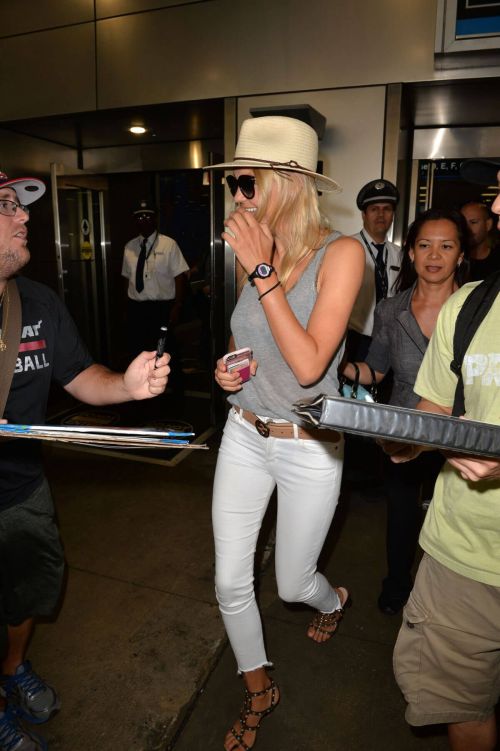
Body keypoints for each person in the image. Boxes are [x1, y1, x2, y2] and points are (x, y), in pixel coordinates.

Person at [205, 115, 365, 751]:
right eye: (234, 185)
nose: (237, 196)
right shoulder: (257, 260)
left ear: (290, 184)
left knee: (292, 585)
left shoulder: (342, 253)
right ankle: (259, 687)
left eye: (246, 183)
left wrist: (263, 270)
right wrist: (227, 369)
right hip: (244, 431)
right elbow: (252, 343)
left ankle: (333, 602)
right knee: (228, 581)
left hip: (308, 447)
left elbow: (307, 368)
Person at [0, 172, 170, 751]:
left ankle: (11, 670)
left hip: (21, 486)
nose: (24, 217)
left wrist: (126, 384)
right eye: (6, 207)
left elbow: (79, 378)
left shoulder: (39, 302)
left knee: (30, 593)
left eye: (21, 208)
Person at [384, 157, 500, 751]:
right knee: (464, 704)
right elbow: (428, 412)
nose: (498, 210)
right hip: (463, 553)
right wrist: (388, 432)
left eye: (447, 244)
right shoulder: (471, 309)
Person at [342, 208, 469, 615]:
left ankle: (449, 598)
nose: (434, 255)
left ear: (461, 255)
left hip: (460, 433)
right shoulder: (390, 310)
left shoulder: (478, 308)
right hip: (404, 432)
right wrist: (338, 366)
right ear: (411, 253)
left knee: (455, 520)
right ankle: (397, 586)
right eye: (424, 245)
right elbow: (376, 369)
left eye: (446, 246)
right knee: (400, 516)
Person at [122, 200, 188, 396]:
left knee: (166, 349)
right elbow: (126, 279)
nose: (144, 220)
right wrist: (125, 307)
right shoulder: (129, 247)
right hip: (137, 308)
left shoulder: (169, 244)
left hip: (162, 307)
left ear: (155, 219)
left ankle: (175, 390)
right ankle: (140, 388)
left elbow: (179, 277)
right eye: (139, 217)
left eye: (148, 216)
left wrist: (177, 306)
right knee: (137, 348)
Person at [347, 178, 402, 360]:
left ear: (393, 214)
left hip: (389, 340)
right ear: (364, 215)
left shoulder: (400, 255)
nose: (381, 215)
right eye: (374, 209)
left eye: (386, 209)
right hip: (354, 340)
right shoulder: (346, 249)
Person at [460, 201, 500, 281]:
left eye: (473, 222)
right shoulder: (455, 261)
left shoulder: (498, 260)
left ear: (488, 225)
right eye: (463, 223)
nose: (467, 228)